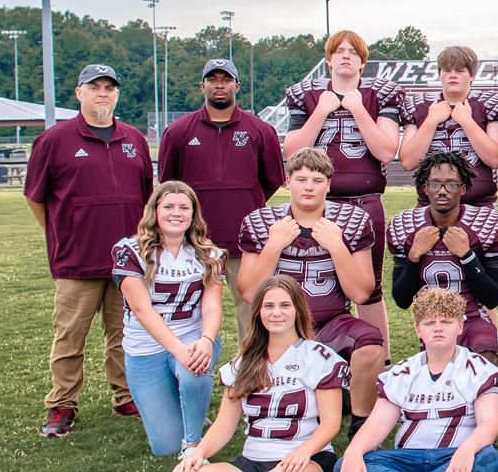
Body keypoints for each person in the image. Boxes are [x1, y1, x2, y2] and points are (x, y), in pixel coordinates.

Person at [23, 63, 153, 438]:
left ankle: (126, 396)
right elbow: (36, 198)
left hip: (126, 262)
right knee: (69, 336)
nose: (102, 93)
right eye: (94, 86)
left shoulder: (134, 139)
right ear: (79, 93)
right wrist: (62, 230)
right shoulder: (55, 140)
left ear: (117, 94)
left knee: (125, 334)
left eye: (109, 87)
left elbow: (147, 199)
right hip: (77, 259)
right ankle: (62, 404)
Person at [233, 148, 382, 438]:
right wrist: (273, 245)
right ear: (288, 182)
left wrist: (337, 246)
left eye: (317, 180)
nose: (309, 187)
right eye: (301, 179)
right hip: (279, 327)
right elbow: (250, 292)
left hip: (332, 323)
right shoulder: (262, 222)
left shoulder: (351, 221)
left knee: (370, 346)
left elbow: (362, 293)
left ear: (329, 184)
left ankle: (361, 427)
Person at [280, 29, 411, 347]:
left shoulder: (379, 95)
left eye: (353, 51)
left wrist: (357, 108)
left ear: (363, 61)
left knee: (369, 288)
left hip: (364, 203)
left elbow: (385, 150)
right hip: (317, 206)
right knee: (312, 285)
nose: (345, 55)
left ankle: (376, 361)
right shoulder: (307, 96)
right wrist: (322, 111)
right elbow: (292, 151)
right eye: (339, 50)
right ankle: (307, 356)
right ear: (328, 60)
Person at [170, 275, 339, 472]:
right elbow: (224, 426)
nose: (276, 313)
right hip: (252, 461)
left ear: (298, 310)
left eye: (285, 305)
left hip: (306, 460)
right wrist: (198, 453)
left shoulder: (319, 357)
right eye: (268, 306)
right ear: (258, 311)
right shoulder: (243, 363)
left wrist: (304, 451)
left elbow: (332, 422)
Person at [336, 287, 498, 472]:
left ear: (460, 327)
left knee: (489, 459)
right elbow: (376, 425)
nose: (438, 328)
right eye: (429, 322)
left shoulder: (480, 369)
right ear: (418, 329)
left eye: (446, 321)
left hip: (454, 456)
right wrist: (354, 451)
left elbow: (490, 424)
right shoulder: (400, 373)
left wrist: (466, 451)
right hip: (408, 458)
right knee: (344, 465)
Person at [156, 58, 285, 337]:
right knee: (188, 311)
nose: (219, 85)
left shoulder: (260, 130)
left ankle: (253, 375)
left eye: (225, 79)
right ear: (202, 85)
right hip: (195, 242)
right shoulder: (178, 132)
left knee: (251, 309)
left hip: (245, 243)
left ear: (236, 85)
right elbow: (168, 184)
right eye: (213, 79)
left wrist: (242, 201)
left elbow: (272, 179)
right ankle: (191, 367)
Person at [386, 151, 498, 410]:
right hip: (432, 321)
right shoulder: (406, 227)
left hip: (474, 316)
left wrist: (467, 255)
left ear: (463, 188)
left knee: (485, 348)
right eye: (435, 183)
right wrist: (413, 256)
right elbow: (400, 299)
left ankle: (490, 405)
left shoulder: (486, 224)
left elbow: (493, 297)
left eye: (451, 184)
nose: (442, 191)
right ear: (425, 187)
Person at [112, 182, 225, 458]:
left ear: (193, 213)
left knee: (194, 368)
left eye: (184, 207)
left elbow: (212, 306)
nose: (177, 213)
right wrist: (179, 351)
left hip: (192, 337)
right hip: (146, 348)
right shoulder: (130, 251)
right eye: (169, 207)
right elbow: (142, 310)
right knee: (164, 447)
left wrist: (207, 341)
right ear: (155, 211)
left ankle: (193, 443)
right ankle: (184, 408)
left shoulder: (209, 254)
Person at [398, 44, 498, 207]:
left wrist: (466, 121)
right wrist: (431, 121)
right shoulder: (419, 106)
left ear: (472, 75)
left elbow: (495, 160)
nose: (453, 75)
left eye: (460, 70)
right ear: (440, 74)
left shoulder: (488, 105)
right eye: (447, 70)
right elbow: (408, 162)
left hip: (480, 205)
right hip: (429, 206)